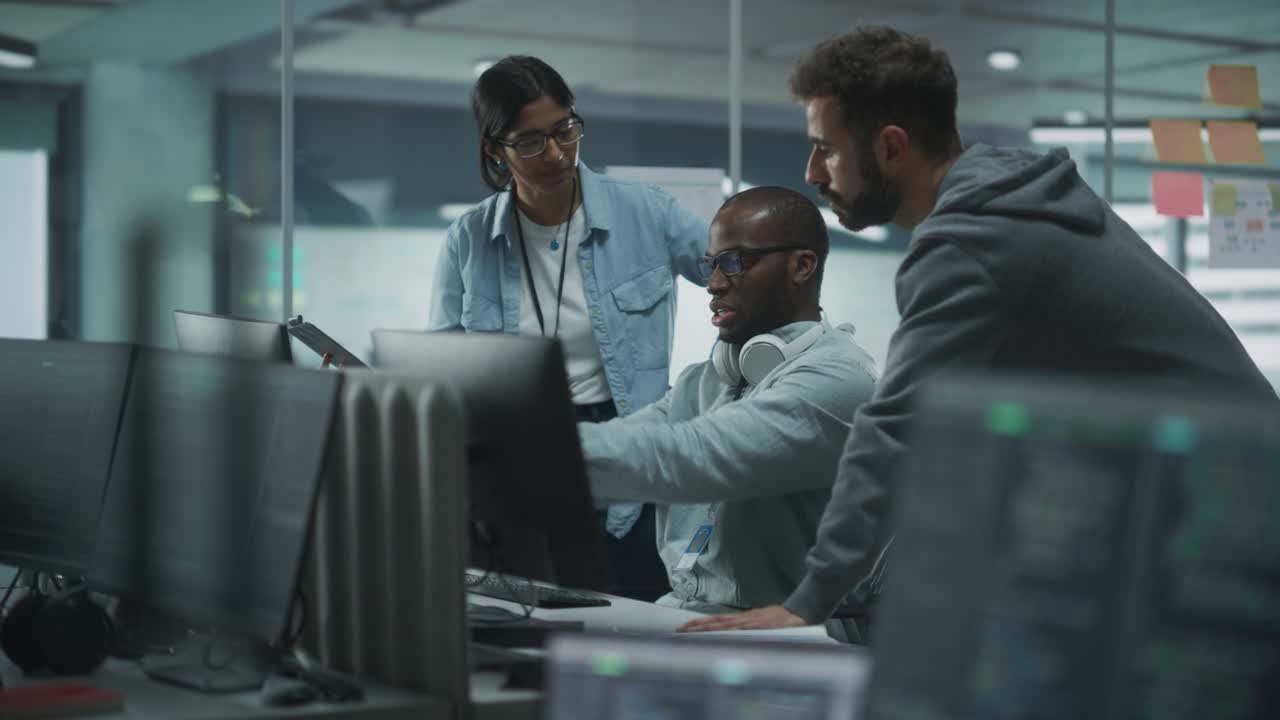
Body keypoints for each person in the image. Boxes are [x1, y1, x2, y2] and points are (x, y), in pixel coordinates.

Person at [680, 26, 1278, 634]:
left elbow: (894, 431)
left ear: (890, 147)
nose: (811, 172)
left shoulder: (971, 242)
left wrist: (807, 600)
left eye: (826, 149)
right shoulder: (1012, 199)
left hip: (1227, 516)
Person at [429, 56, 708, 600]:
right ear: (495, 150)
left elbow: (736, 273)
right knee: (531, 612)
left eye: (565, 130)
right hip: (517, 452)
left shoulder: (646, 213)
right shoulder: (468, 239)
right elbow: (444, 363)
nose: (556, 153)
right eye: (531, 142)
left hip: (629, 442)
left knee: (631, 616)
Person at [577, 186, 878, 637]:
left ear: (801, 265)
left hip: (793, 638)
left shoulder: (840, 382)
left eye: (735, 262)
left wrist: (536, 447)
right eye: (711, 264)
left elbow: (689, 458)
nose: (714, 283)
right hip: (685, 615)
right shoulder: (708, 379)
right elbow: (631, 444)